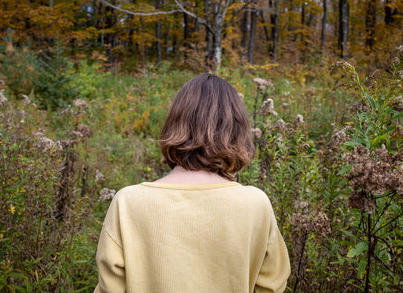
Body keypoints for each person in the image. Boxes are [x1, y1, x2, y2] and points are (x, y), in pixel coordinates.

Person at [94, 73, 290, 293]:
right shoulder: (256, 204)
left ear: (173, 125)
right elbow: (271, 286)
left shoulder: (128, 203)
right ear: (238, 131)